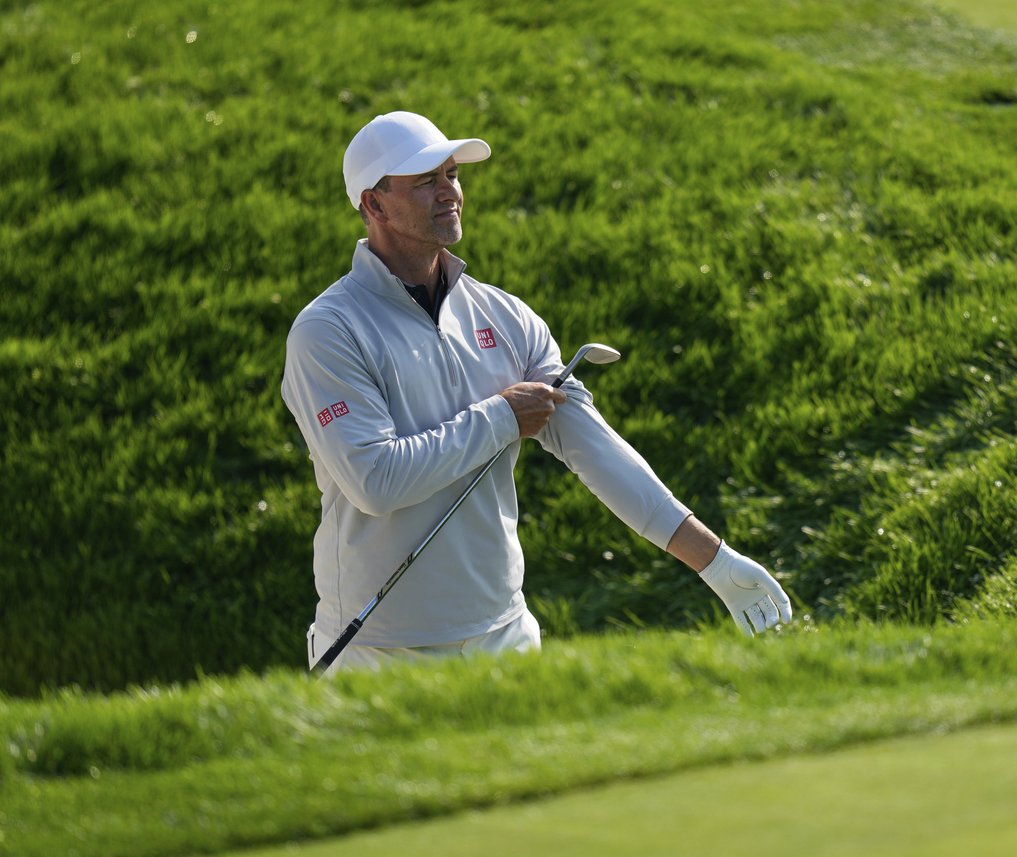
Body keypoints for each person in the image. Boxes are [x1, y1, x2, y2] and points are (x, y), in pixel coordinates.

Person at [282, 111, 792, 674]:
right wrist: (501, 416)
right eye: (425, 180)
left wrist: (713, 560)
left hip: (504, 635)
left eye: (452, 175)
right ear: (373, 206)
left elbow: (593, 449)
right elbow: (375, 481)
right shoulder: (328, 330)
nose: (449, 192)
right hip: (379, 650)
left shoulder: (504, 317)